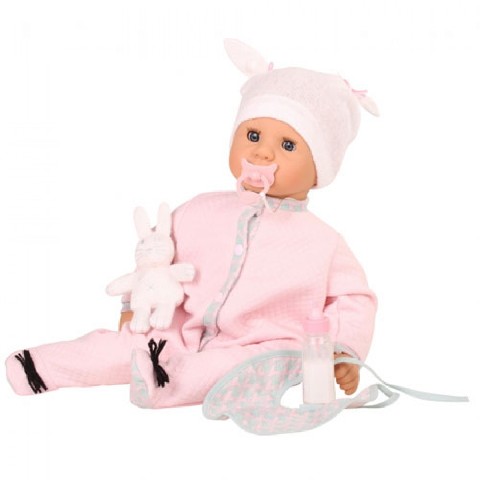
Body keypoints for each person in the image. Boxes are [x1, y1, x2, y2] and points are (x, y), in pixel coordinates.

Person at [6, 40, 377, 408]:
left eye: (288, 145)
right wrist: (133, 309)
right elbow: (154, 262)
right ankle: (40, 367)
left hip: (264, 347)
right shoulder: (200, 210)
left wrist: (344, 351)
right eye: (252, 136)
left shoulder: (323, 243)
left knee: (235, 370)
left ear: (320, 169)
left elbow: (354, 301)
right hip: (181, 329)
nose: (262, 152)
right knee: (125, 346)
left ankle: (164, 383)